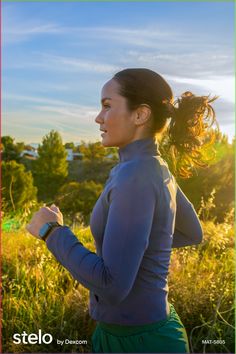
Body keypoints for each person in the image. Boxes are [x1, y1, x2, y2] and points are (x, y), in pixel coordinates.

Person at [27, 68, 217, 353]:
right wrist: (136, 250)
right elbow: (193, 232)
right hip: (152, 330)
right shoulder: (154, 167)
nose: (98, 117)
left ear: (140, 115)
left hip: (139, 342)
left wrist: (52, 231)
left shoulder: (135, 175)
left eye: (107, 106)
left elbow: (111, 285)